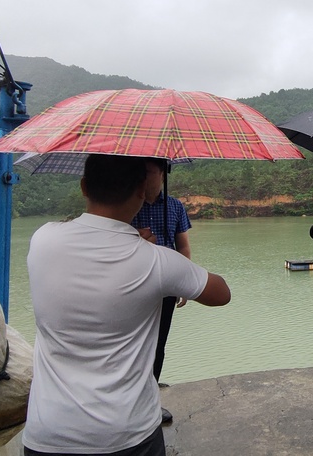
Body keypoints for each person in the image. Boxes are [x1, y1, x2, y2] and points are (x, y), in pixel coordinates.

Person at [22, 154, 230, 456]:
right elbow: (221, 293)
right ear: (141, 190)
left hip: (48, 433)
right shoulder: (157, 260)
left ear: (83, 187)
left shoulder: (42, 239)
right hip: (128, 435)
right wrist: (151, 252)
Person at [130, 158, 191, 424]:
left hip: (165, 285)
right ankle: (129, 402)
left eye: (148, 172)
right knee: (133, 345)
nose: (143, 178)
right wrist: (136, 238)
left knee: (158, 345)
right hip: (133, 286)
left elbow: (183, 246)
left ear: (163, 174)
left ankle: (149, 402)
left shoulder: (174, 206)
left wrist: (184, 280)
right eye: (139, 172)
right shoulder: (128, 204)